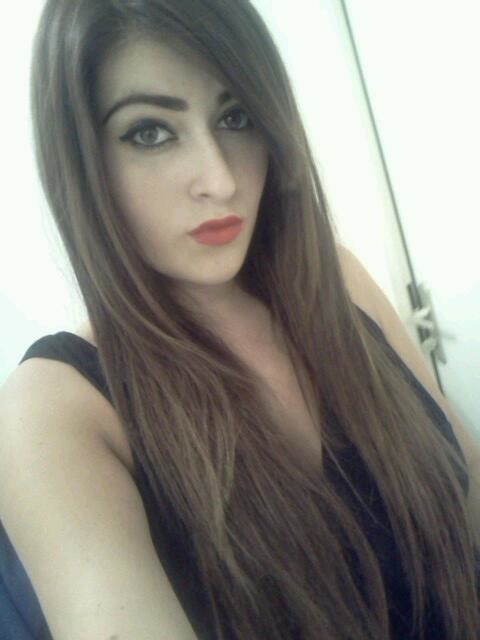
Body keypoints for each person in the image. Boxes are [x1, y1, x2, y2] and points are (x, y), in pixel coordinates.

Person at [0, 1, 478, 638]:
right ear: (81, 161)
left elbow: (466, 485)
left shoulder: (336, 277)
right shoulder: (55, 406)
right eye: (150, 132)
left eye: (235, 117)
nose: (220, 180)